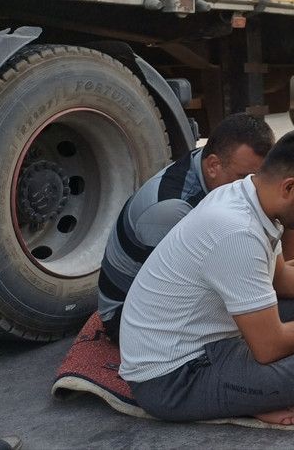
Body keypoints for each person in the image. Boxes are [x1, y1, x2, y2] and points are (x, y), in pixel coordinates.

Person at [119, 129, 294, 426]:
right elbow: (269, 347)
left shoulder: (247, 194)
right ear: (288, 187)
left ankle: (263, 389)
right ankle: (260, 392)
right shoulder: (237, 231)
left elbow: (279, 279)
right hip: (174, 378)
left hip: (212, 338)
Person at [98, 113, 274, 342]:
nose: (254, 188)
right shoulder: (171, 209)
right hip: (126, 317)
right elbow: (173, 290)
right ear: (213, 165)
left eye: (260, 177)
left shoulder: (208, 167)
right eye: (244, 177)